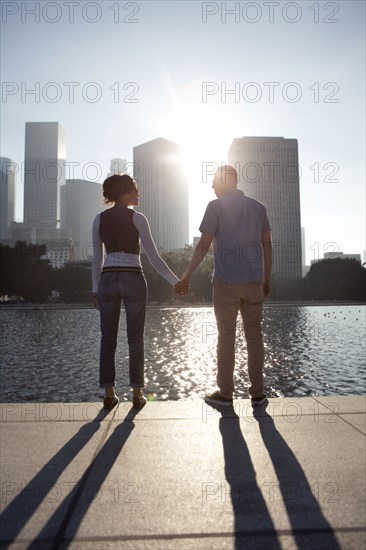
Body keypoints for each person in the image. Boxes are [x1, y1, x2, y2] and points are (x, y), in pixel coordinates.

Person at [175, 165, 272, 407]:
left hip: (226, 284)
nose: (212, 187)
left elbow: (204, 245)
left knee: (226, 338)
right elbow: (267, 246)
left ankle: (226, 393)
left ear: (225, 181)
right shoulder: (259, 208)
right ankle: (258, 394)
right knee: (254, 338)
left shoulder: (215, 207)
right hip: (253, 283)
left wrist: (186, 276)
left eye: (214, 182)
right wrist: (267, 279)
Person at [92, 174, 188, 410]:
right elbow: (153, 257)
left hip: (107, 280)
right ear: (125, 193)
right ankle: (137, 393)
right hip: (133, 278)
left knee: (108, 339)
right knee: (135, 339)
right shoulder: (138, 218)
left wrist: (95, 291)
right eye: (135, 190)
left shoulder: (98, 219)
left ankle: (109, 393)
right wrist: (175, 281)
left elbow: (97, 258)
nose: (138, 194)